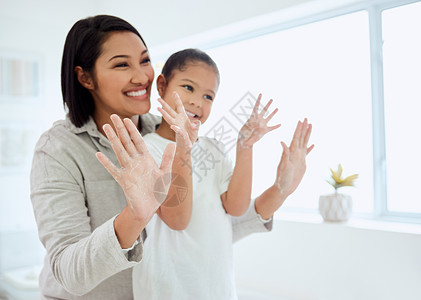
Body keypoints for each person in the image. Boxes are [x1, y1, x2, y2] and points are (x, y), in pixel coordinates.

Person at [29, 15, 299, 300]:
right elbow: (68, 272)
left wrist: (281, 190)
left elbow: (207, 225)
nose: (141, 76)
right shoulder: (57, 149)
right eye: (122, 64)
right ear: (85, 77)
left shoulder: (177, 134)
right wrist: (135, 215)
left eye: (144, 60)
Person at [131, 48, 313, 299]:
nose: (197, 101)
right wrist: (184, 145)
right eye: (188, 88)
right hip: (168, 289)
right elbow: (177, 220)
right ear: (161, 85)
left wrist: (244, 147)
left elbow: (236, 207)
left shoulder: (213, 148)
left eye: (208, 96)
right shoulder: (145, 149)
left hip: (216, 288)